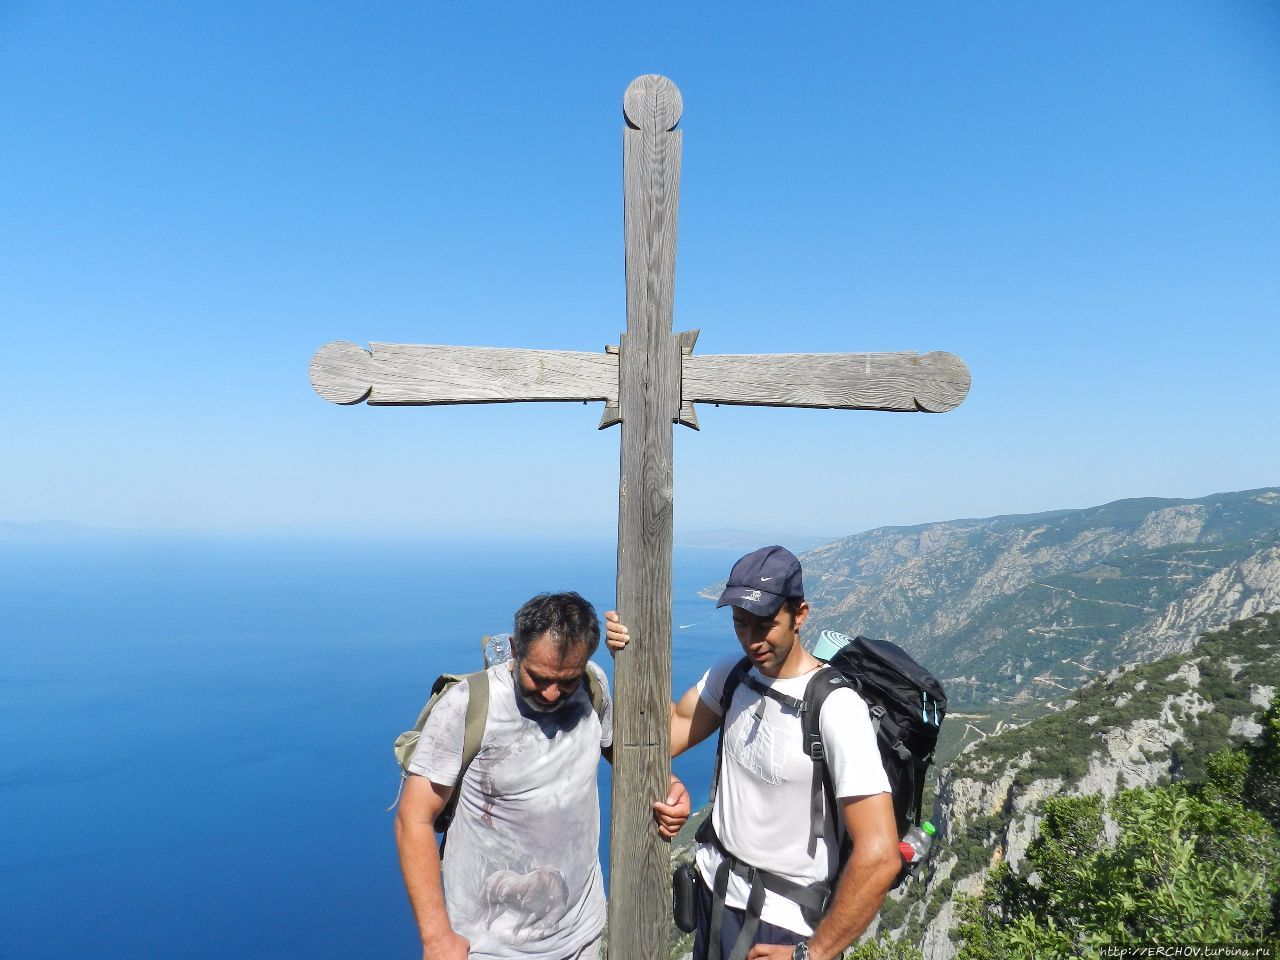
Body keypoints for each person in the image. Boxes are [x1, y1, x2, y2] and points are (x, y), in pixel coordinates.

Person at [606, 546, 901, 960]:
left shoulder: (835, 708)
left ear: (800, 615)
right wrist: (627, 654)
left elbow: (880, 854)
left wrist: (810, 954)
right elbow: (659, 740)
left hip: (782, 923)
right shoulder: (733, 675)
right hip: (712, 893)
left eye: (765, 625)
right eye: (740, 624)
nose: (751, 640)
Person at [395, 591, 691, 960]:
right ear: (515, 649)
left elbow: (618, 750)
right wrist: (437, 937)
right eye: (539, 678)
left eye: (565, 681)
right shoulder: (468, 706)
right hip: (491, 946)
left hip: (582, 936)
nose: (552, 694)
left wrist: (669, 784)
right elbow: (413, 818)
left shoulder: (592, 687)